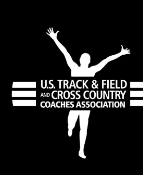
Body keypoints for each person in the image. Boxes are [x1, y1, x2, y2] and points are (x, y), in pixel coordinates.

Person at [48, 28, 130, 158]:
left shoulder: (92, 70)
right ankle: (70, 128)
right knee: (71, 121)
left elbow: (106, 60)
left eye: (87, 57)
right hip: (75, 101)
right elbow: (65, 52)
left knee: (84, 127)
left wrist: (120, 54)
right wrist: (55, 39)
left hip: (86, 102)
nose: (85, 58)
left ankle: (81, 150)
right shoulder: (74, 67)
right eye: (83, 57)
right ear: (80, 59)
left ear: (89, 60)